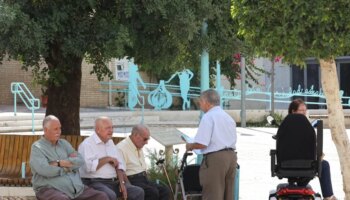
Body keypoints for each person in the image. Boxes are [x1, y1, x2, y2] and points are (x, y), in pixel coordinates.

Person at [30, 115, 108, 200]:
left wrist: (59, 163)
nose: (59, 132)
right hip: (50, 189)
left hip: (76, 190)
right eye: (55, 129)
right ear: (45, 130)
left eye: (60, 128)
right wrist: (68, 167)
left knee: (101, 197)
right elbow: (45, 169)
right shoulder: (37, 147)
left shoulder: (64, 144)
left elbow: (80, 160)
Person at [185, 89, 237, 200]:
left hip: (216, 159)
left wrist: (190, 146)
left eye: (200, 102)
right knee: (228, 195)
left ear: (206, 102)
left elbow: (202, 143)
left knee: (213, 194)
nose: (200, 105)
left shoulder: (208, 117)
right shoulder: (228, 117)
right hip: (231, 157)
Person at [78, 116, 144, 200]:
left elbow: (120, 165)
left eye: (112, 127)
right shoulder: (87, 144)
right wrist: (107, 159)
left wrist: (122, 183)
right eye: (108, 128)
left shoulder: (110, 143)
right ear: (98, 129)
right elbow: (88, 167)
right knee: (110, 195)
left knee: (137, 192)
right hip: (94, 182)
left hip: (113, 182)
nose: (111, 130)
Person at [288, 98, 337, 200]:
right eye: (302, 110)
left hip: (285, 163)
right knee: (324, 165)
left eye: (305, 110)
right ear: (293, 111)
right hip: (304, 162)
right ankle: (328, 196)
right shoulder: (306, 127)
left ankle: (300, 185)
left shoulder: (284, 126)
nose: (304, 113)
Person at [116, 124, 170, 200]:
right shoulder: (121, 148)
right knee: (152, 192)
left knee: (164, 190)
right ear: (136, 136)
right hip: (132, 179)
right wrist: (128, 186)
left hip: (143, 179)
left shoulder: (138, 145)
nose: (147, 142)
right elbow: (120, 171)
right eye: (145, 139)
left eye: (148, 139)